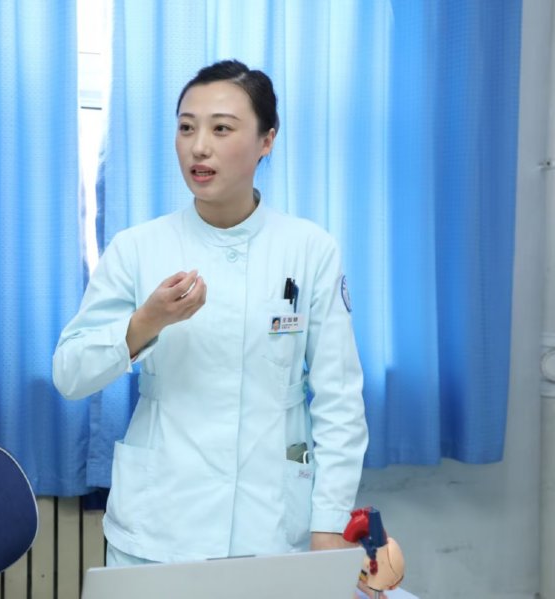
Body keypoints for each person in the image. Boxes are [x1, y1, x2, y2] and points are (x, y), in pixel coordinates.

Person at [52, 59, 368, 566]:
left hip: (270, 520)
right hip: (160, 523)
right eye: (186, 128)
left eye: (221, 128)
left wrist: (329, 522)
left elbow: (339, 400)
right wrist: (146, 323)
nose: (199, 147)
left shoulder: (310, 249)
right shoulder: (138, 248)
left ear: (267, 140)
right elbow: (70, 374)